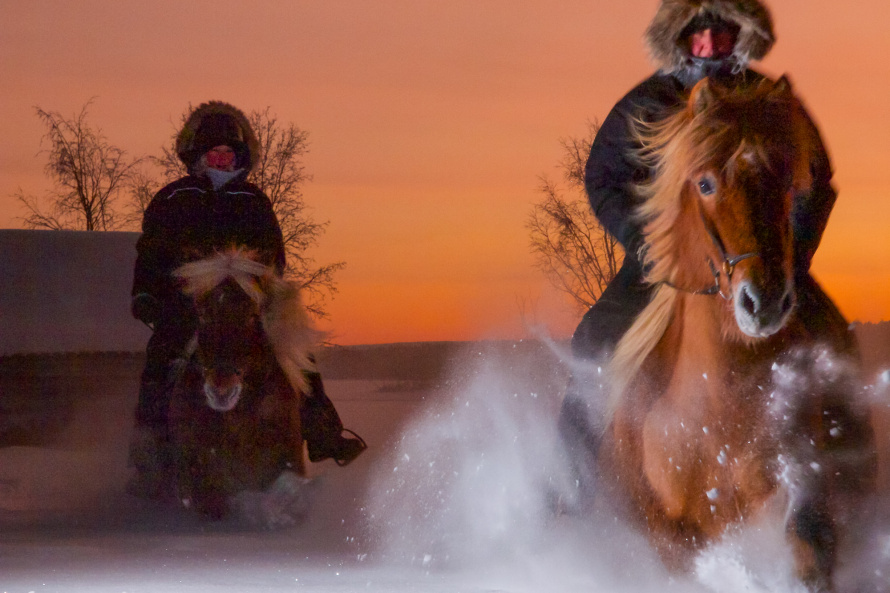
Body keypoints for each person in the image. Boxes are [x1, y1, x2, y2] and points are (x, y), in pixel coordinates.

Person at [559, 0, 849, 490]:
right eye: (699, 34)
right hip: (663, 257)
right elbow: (602, 176)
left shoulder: (770, 100)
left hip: (758, 256)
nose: (711, 45)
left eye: (722, 33)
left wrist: (793, 256)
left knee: (832, 337)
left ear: (743, 36)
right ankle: (569, 489)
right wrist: (641, 240)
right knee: (595, 342)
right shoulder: (649, 101)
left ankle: (845, 479)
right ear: (679, 39)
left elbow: (816, 181)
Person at [129, 101, 365, 495]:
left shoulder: (254, 200)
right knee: (162, 359)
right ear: (198, 156)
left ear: (239, 157)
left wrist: (262, 287)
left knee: (298, 357)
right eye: (213, 153)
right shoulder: (173, 198)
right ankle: (149, 454)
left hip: (249, 297)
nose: (221, 160)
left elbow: (275, 255)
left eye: (228, 154)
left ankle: (324, 433)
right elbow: (150, 252)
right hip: (188, 299)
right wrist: (146, 294)